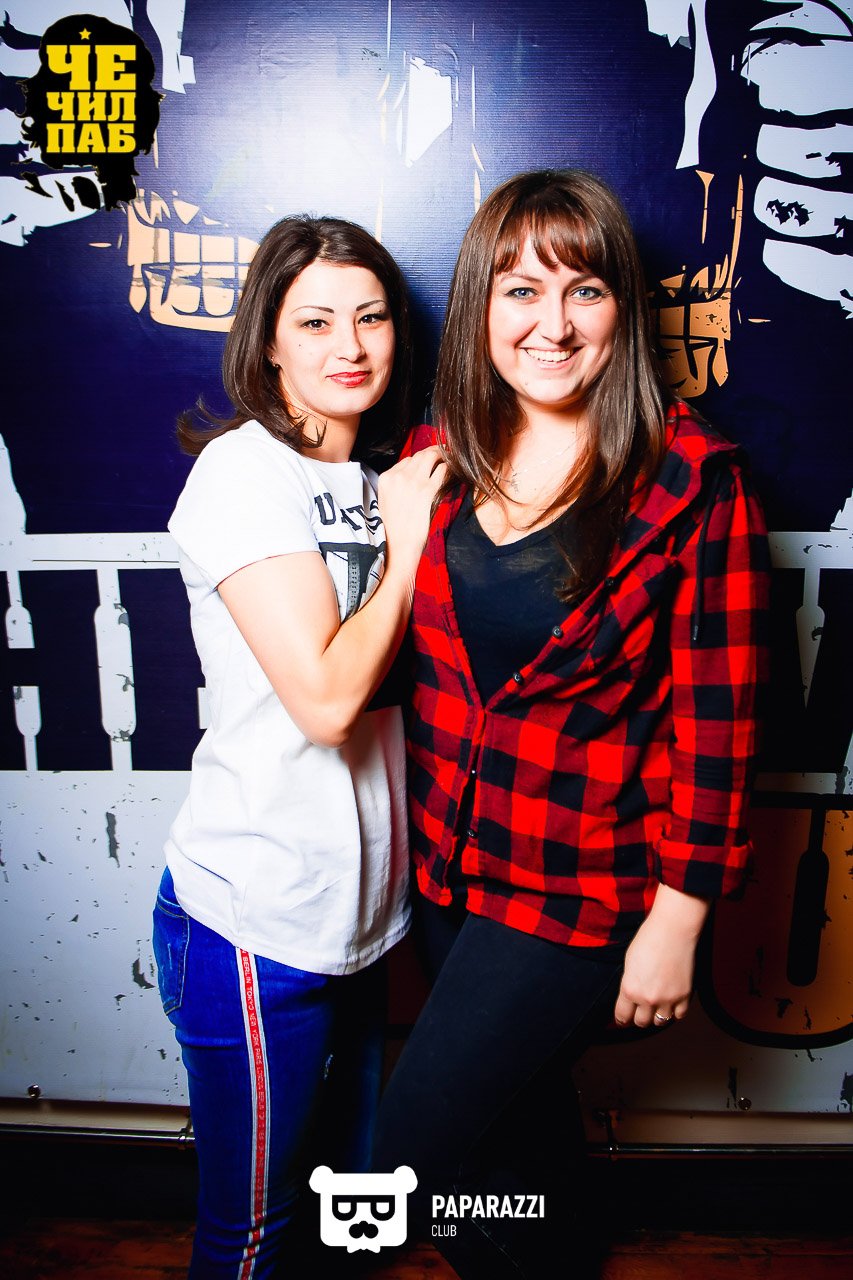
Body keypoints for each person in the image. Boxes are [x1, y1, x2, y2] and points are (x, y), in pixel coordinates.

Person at [373, 170, 770, 1278]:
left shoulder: (690, 484)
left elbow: (721, 726)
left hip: (578, 891)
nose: (550, 325)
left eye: (583, 291)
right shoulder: (434, 457)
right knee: (514, 1140)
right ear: (480, 305)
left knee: (407, 1152)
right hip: (448, 870)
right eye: (519, 291)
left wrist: (677, 921)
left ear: (620, 310)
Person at [151, 214, 444, 1278]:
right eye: (315, 321)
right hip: (257, 917)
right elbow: (325, 701)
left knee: (349, 1206)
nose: (349, 345)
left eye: (370, 317)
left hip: (362, 917)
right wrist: (404, 548)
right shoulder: (243, 473)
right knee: (252, 1232)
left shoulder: (384, 474)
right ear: (268, 342)